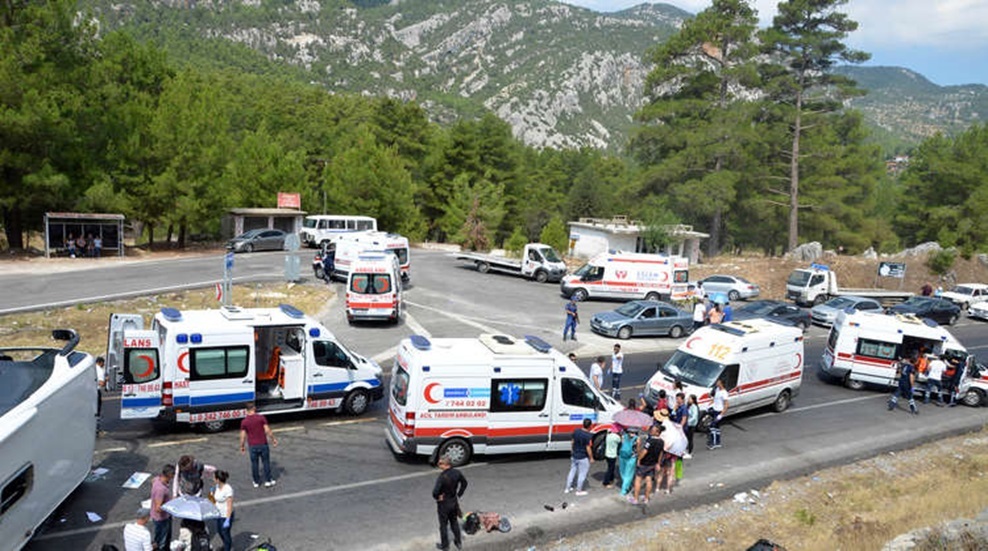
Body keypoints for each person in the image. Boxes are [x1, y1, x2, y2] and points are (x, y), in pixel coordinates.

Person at [433, 455, 467, 551]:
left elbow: (435, 492)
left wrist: (437, 497)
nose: (438, 465)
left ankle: (445, 546)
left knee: (443, 526)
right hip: (453, 502)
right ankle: (458, 542)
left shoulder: (442, 477)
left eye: (440, 463)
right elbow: (464, 483)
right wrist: (459, 494)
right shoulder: (457, 473)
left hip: (444, 504)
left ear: (446, 464)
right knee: (454, 522)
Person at [240, 402, 279, 488]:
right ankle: (268, 480)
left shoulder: (244, 422)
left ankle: (256, 482)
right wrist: (273, 439)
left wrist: (242, 446)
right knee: (266, 462)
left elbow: (243, 436)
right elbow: (267, 430)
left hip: (252, 446)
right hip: (263, 444)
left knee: (254, 464)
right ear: (254, 408)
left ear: (246, 410)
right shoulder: (261, 418)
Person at [629, 424, 664, 505]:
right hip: (652, 463)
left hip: (644, 463)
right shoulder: (661, 442)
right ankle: (646, 498)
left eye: (653, 430)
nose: (651, 431)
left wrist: (639, 459)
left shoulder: (650, 441)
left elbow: (644, 452)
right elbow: (661, 453)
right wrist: (658, 463)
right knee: (649, 480)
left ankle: (635, 499)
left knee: (638, 480)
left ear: (657, 432)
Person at [564, 418, 594, 496]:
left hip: (575, 455)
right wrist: (591, 458)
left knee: (572, 471)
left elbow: (572, 441)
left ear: (583, 424)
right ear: (590, 426)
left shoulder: (576, 431)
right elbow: (588, 448)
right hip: (583, 457)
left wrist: (572, 450)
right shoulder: (588, 435)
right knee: (582, 474)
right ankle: (579, 490)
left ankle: (567, 488)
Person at [149, 465, 174, 551]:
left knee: (163, 537)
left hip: (160, 517)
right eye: (173, 475)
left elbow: (152, 481)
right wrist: (170, 505)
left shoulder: (157, 479)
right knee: (161, 541)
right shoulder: (161, 489)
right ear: (169, 475)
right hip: (162, 519)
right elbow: (158, 508)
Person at [212, 470, 235, 551]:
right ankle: (226, 544)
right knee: (219, 531)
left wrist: (228, 519)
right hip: (219, 514)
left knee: (225, 533)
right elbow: (215, 500)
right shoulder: (217, 487)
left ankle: (227, 548)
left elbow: (229, 505)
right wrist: (211, 496)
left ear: (218, 479)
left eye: (214, 478)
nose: (213, 479)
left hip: (226, 515)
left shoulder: (228, 489)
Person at [708, 378, 728, 449]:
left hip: (719, 411)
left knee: (712, 426)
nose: (716, 383)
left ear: (721, 383)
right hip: (715, 410)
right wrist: (709, 404)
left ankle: (713, 443)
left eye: (718, 382)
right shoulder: (717, 389)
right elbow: (714, 399)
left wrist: (721, 415)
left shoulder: (724, 393)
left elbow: (726, 405)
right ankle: (718, 442)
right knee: (716, 427)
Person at [617, 428, 638, 496]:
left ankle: (626, 485)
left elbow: (621, 445)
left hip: (622, 456)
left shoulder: (623, 436)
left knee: (622, 472)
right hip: (631, 458)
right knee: (629, 474)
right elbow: (638, 449)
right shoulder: (637, 439)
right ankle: (624, 489)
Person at [685, 394, 699, 459]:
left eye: (689, 399)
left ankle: (690, 452)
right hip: (688, 424)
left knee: (690, 439)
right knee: (686, 438)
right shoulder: (688, 406)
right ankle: (686, 449)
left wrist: (688, 422)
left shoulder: (694, 407)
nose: (688, 400)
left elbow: (694, 417)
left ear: (693, 400)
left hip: (691, 425)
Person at [95, 355, 106, 436]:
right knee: (97, 412)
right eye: (103, 363)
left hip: (89, 392)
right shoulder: (100, 370)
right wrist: (106, 381)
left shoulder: (92, 369)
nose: (103, 365)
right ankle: (97, 430)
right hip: (96, 392)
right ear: (101, 363)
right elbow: (101, 383)